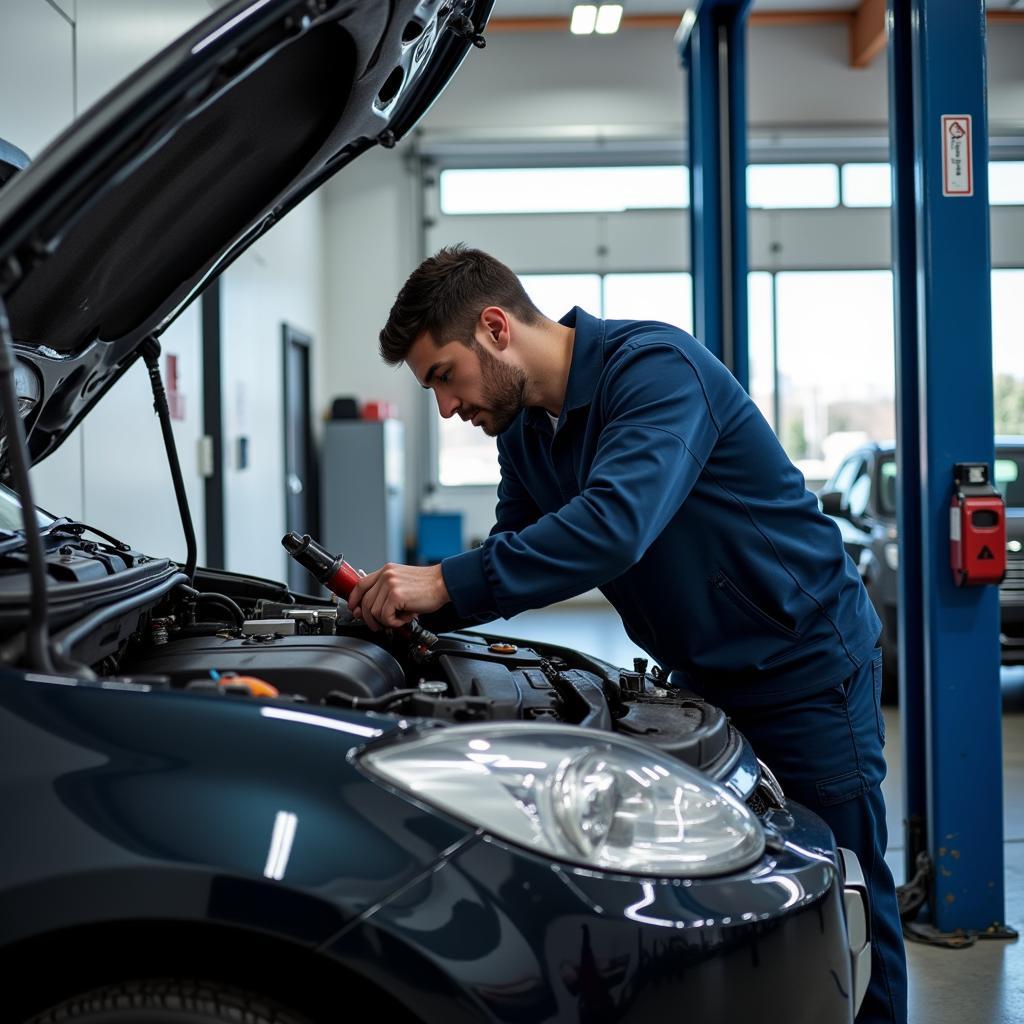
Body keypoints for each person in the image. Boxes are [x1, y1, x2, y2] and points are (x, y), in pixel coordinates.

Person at [347, 244, 907, 1024]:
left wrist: (439, 582)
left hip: (803, 664)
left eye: (444, 376)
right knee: (734, 897)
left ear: (496, 328)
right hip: (703, 677)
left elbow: (614, 527)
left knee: (843, 897)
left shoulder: (654, 372)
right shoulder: (526, 431)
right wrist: (416, 611)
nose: (446, 408)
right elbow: (517, 547)